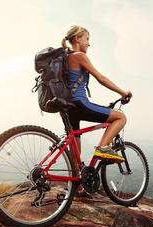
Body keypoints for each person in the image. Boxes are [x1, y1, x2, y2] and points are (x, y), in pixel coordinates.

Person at [61, 25, 132, 163]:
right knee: (120, 117)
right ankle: (103, 148)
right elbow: (101, 78)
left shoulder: (65, 58)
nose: (89, 43)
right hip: (79, 104)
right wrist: (122, 92)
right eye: (87, 39)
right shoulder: (79, 56)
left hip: (67, 108)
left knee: (76, 157)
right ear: (77, 39)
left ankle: (77, 184)